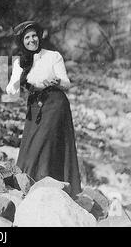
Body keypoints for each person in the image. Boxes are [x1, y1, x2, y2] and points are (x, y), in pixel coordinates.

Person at [6, 21, 81, 197]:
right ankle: (30, 188)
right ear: (22, 41)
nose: (32, 40)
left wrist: (56, 82)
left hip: (55, 104)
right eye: (27, 37)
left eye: (34, 36)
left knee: (45, 144)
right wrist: (23, 82)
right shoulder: (20, 63)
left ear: (39, 37)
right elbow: (11, 90)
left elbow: (66, 83)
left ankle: (49, 189)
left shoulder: (53, 56)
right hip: (34, 107)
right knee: (31, 146)